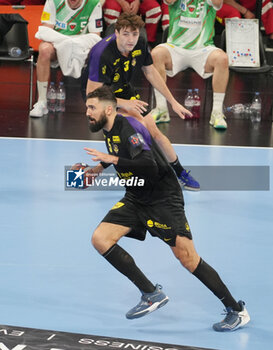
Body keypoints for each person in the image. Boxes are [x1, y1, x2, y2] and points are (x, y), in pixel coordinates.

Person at [83, 85, 250, 331]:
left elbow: (148, 165)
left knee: (187, 258)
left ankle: (236, 310)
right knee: (100, 238)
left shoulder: (128, 127)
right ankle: (151, 293)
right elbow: (120, 153)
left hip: (163, 198)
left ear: (108, 109)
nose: (87, 112)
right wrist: (98, 169)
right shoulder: (108, 129)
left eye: (91, 107)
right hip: (136, 196)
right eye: (87, 107)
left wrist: (112, 160)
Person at [86, 12, 200, 191]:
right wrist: (122, 103)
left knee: (153, 132)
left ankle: (179, 172)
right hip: (101, 96)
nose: (131, 39)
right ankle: (117, 172)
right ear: (116, 33)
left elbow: (150, 72)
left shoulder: (140, 43)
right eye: (126, 34)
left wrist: (173, 102)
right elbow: (92, 94)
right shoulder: (102, 54)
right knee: (132, 130)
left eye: (135, 34)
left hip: (124, 90)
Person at [151, 0, 229, 130]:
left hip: (202, 49)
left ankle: (217, 112)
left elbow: (217, 2)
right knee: (156, 54)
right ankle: (161, 109)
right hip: (175, 47)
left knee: (222, 59)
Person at [29, 0, 103, 118]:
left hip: (81, 47)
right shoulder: (53, 2)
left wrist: (73, 44)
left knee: (99, 52)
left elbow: (95, 36)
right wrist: (66, 43)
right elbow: (46, 31)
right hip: (56, 44)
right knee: (44, 49)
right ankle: (41, 101)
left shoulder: (94, 4)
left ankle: (95, 103)